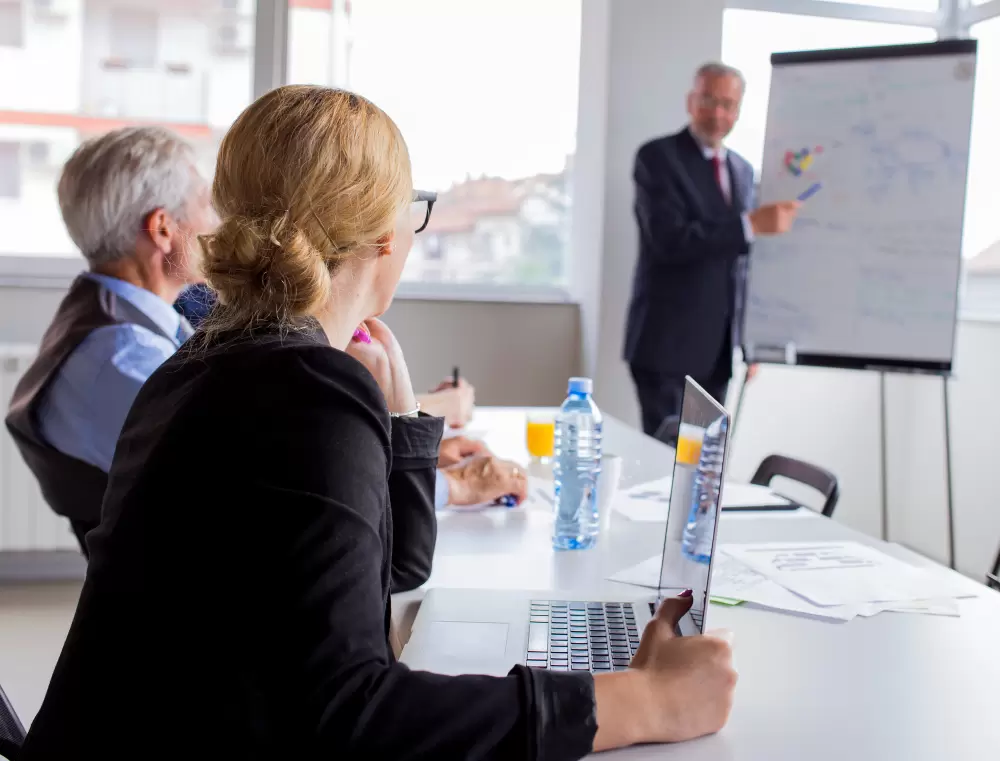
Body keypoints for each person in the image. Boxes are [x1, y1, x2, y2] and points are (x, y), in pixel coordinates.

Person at [21, 86, 736, 760]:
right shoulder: (302, 387)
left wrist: (403, 422)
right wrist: (638, 702)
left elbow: (392, 572)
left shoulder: (212, 360)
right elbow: (347, 715)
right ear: (385, 235)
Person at [4, 127, 215, 555]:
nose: (217, 224)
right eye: (206, 204)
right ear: (162, 228)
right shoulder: (123, 357)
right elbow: (235, 472)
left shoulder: (111, 318)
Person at [624, 62, 801, 437]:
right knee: (667, 462)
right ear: (691, 101)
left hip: (718, 354)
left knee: (707, 462)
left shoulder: (742, 170)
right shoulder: (657, 158)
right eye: (708, 101)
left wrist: (749, 340)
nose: (717, 114)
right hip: (666, 348)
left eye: (727, 104)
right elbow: (669, 241)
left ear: (738, 110)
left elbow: (741, 267)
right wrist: (749, 224)